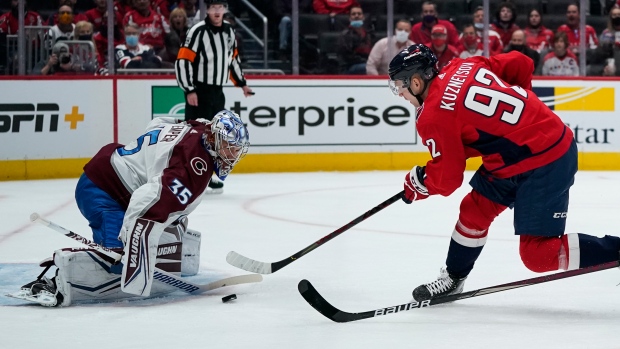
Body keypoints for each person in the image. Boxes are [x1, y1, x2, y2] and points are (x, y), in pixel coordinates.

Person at [387, 44, 620, 302]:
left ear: (417, 82)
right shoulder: (463, 65)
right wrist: (524, 120)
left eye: (400, 85)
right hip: (515, 156)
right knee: (473, 211)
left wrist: (419, 184)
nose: (400, 93)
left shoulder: (432, 115)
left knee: (538, 256)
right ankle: (454, 279)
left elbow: (448, 178)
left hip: (547, 159)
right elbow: (522, 62)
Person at [15, 110, 250, 307]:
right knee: (116, 261)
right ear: (214, 139)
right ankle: (53, 282)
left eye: (237, 149)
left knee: (169, 213)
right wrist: (132, 246)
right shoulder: (191, 169)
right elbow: (145, 199)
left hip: (115, 170)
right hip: (102, 190)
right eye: (230, 147)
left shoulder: (200, 129)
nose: (234, 154)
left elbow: (158, 123)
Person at [175, 0, 252, 193]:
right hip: (199, 90)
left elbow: (233, 59)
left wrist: (241, 83)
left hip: (217, 91)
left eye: (220, 7)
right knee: (194, 135)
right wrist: (189, 89)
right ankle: (184, 176)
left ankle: (206, 176)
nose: (217, 11)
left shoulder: (229, 31)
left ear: (225, 9)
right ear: (207, 10)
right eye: (213, 8)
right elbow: (183, 61)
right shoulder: (197, 31)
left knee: (215, 136)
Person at [337, 5, 374, 75]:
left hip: (367, 63)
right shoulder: (345, 35)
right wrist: (368, 62)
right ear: (350, 18)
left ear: (363, 17)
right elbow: (348, 57)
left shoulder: (368, 33)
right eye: (353, 14)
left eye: (359, 14)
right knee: (370, 67)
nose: (356, 16)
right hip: (349, 67)